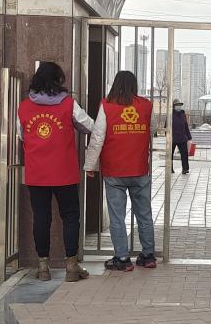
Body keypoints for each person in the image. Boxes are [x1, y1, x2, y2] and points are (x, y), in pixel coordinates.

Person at [18, 61, 94, 282]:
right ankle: (71, 266)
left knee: (41, 218)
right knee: (70, 216)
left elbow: (21, 135)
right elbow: (90, 126)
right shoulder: (69, 104)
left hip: (36, 173)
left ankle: (43, 267)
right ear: (59, 81)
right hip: (64, 172)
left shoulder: (24, 107)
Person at [86, 70, 156, 272]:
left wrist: (90, 165)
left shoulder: (107, 105)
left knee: (117, 217)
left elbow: (97, 137)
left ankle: (123, 259)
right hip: (140, 169)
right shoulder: (146, 105)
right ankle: (148, 256)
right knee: (144, 214)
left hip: (114, 171)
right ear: (134, 85)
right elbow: (151, 131)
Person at [171, 100, 192, 175]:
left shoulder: (183, 114)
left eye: (180, 105)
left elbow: (186, 126)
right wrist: (168, 137)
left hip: (182, 138)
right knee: (170, 155)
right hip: (172, 138)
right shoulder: (170, 115)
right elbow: (166, 126)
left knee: (184, 154)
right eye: (177, 105)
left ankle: (185, 169)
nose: (178, 106)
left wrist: (189, 137)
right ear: (174, 106)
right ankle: (170, 168)